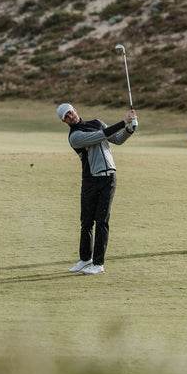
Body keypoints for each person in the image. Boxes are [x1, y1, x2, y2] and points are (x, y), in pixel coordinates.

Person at [57, 102, 137, 275]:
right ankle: (85, 259)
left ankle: (98, 263)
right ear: (64, 122)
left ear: (75, 110)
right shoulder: (75, 137)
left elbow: (116, 139)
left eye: (71, 113)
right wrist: (123, 122)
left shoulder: (97, 122)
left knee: (102, 221)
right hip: (89, 179)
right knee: (86, 222)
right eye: (66, 117)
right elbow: (100, 136)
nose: (71, 117)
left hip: (108, 179)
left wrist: (130, 130)